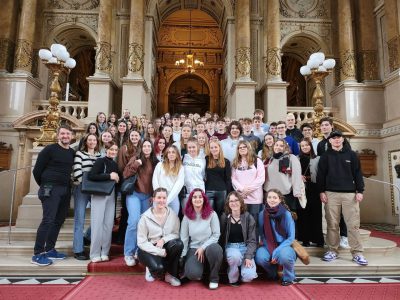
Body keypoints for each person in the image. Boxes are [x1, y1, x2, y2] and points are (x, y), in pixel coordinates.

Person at [317, 130, 367, 265]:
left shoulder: (352, 155)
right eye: (334, 138)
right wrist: (321, 191)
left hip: (350, 194)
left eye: (339, 138)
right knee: (332, 224)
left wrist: (360, 190)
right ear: (330, 141)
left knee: (353, 225)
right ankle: (332, 250)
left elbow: (358, 173)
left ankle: (357, 253)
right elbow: (321, 175)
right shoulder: (325, 157)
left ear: (343, 140)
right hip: (331, 194)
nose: (337, 140)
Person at [31, 125, 75, 266]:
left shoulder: (72, 152)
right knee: (48, 220)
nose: (65, 136)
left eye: (67, 134)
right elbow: (37, 171)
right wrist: (46, 185)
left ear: (72, 136)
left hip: (65, 189)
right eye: (62, 133)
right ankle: (38, 254)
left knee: (58, 221)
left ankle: (50, 249)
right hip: (50, 188)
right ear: (58, 135)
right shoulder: (49, 150)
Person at [137, 188, 183, 286]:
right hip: (148, 248)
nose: (161, 200)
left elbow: (175, 234)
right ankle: (151, 268)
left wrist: (163, 239)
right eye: (159, 197)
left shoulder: (173, 215)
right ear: (153, 199)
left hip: (164, 245)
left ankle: (170, 275)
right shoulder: (145, 217)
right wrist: (159, 252)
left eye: (164, 198)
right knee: (159, 268)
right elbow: (141, 242)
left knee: (178, 244)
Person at [123, 140, 158, 267]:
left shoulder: (155, 161)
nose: (147, 148)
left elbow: (157, 179)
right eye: (145, 146)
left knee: (144, 225)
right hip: (134, 194)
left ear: (152, 148)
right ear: (141, 148)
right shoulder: (135, 158)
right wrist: (136, 164)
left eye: (149, 146)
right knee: (133, 222)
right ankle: (128, 253)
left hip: (148, 196)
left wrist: (154, 195)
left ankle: (139, 250)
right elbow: (126, 174)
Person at [317, 117, 350, 249]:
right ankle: (332, 239)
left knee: (342, 212)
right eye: (322, 125)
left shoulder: (341, 139)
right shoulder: (320, 144)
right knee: (331, 213)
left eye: (326, 125)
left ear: (331, 126)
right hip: (328, 181)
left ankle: (344, 237)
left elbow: (348, 158)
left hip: (342, 181)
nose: (324, 127)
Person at [180, 189, 223, 290]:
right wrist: (183, 256)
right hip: (194, 249)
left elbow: (216, 235)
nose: (197, 199)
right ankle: (201, 268)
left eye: (200, 197)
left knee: (216, 250)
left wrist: (203, 247)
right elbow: (184, 238)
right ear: (191, 200)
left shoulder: (212, 214)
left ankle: (213, 278)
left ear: (204, 199)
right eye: (194, 197)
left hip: (209, 246)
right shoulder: (187, 216)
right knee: (193, 274)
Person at [255, 189, 297, 286]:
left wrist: (276, 250)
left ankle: (288, 277)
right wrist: (269, 247)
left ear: (280, 200)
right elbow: (262, 235)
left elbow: (291, 238)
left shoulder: (286, 214)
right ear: (266, 199)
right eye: (269, 197)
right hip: (268, 244)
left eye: (275, 197)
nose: (272, 200)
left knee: (285, 256)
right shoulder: (262, 214)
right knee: (260, 257)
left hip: (284, 244)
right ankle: (272, 273)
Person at [88, 141, 120, 263]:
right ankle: (95, 253)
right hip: (99, 194)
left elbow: (115, 178)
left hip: (111, 195)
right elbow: (92, 175)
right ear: (106, 149)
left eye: (115, 150)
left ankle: (105, 252)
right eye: (111, 149)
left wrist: (117, 179)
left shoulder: (115, 164)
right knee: (97, 225)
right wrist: (109, 176)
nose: (113, 152)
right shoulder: (100, 161)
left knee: (108, 225)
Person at [72, 134, 101, 260]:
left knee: (98, 218)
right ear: (86, 141)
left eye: (94, 140)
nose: (92, 141)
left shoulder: (100, 155)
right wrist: (85, 184)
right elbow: (77, 171)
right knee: (80, 218)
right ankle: (78, 249)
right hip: (81, 188)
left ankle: (87, 237)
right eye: (90, 140)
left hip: (95, 189)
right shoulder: (80, 154)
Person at [219, 191, 258, 286]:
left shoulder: (249, 218)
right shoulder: (224, 217)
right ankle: (233, 278)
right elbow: (221, 237)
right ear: (228, 204)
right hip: (231, 248)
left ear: (241, 202)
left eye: (236, 200)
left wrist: (248, 256)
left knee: (248, 277)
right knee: (234, 257)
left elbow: (252, 240)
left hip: (245, 248)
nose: (234, 203)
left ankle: (242, 272)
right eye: (231, 201)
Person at [231, 141, 265, 237]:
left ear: (248, 148)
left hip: (255, 198)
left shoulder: (257, 161)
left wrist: (247, 190)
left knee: (255, 224)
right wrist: (242, 189)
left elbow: (261, 178)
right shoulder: (235, 162)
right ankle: (244, 244)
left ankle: (254, 246)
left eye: (244, 147)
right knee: (242, 223)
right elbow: (233, 179)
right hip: (241, 198)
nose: (242, 148)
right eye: (239, 147)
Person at [264, 139, 302, 215]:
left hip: (285, 194)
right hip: (270, 194)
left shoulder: (291, 158)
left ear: (286, 147)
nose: (278, 147)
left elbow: (297, 175)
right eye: (276, 145)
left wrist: (297, 191)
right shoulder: (268, 159)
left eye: (281, 146)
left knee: (286, 219)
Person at [297, 138, 324, 247]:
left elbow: (321, 174)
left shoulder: (318, 158)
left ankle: (318, 239)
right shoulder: (296, 158)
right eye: (302, 146)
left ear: (311, 146)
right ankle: (305, 239)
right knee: (303, 214)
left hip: (314, 187)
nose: (304, 147)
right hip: (302, 188)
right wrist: (299, 177)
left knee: (316, 214)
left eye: (306, 145)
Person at [152, 145, 185, 214]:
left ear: (177, 154)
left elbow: (179, 184)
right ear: (166, 154)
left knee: (173, 219)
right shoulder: (160, 165)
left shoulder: (180, 168)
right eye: (169, 152)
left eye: (173, 152)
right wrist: (159, 196)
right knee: (157, 218)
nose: (171, 154)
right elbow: (155, 180)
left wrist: (167, 200)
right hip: (159, 195)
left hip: (173, 196)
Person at [205, 140, 231, 216]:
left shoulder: (226, 161)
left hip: (221, 191)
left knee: (221, 213)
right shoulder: (206, 159)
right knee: (209, 213)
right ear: (209, 149)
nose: (214, 149)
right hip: (209, 190)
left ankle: (220, 228)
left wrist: (228, 194)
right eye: (211, 147)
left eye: (215, 147)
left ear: (219, 148)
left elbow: (228, 179)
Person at [182, 138, 206, 209]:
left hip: (199, 191)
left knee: (199, 212)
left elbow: (204, 175)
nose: (191, 149)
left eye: (193, 147)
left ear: (197, 147)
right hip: (186, 191)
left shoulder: (203, 159)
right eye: (189, 147)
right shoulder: (183, 158)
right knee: (186, 212)